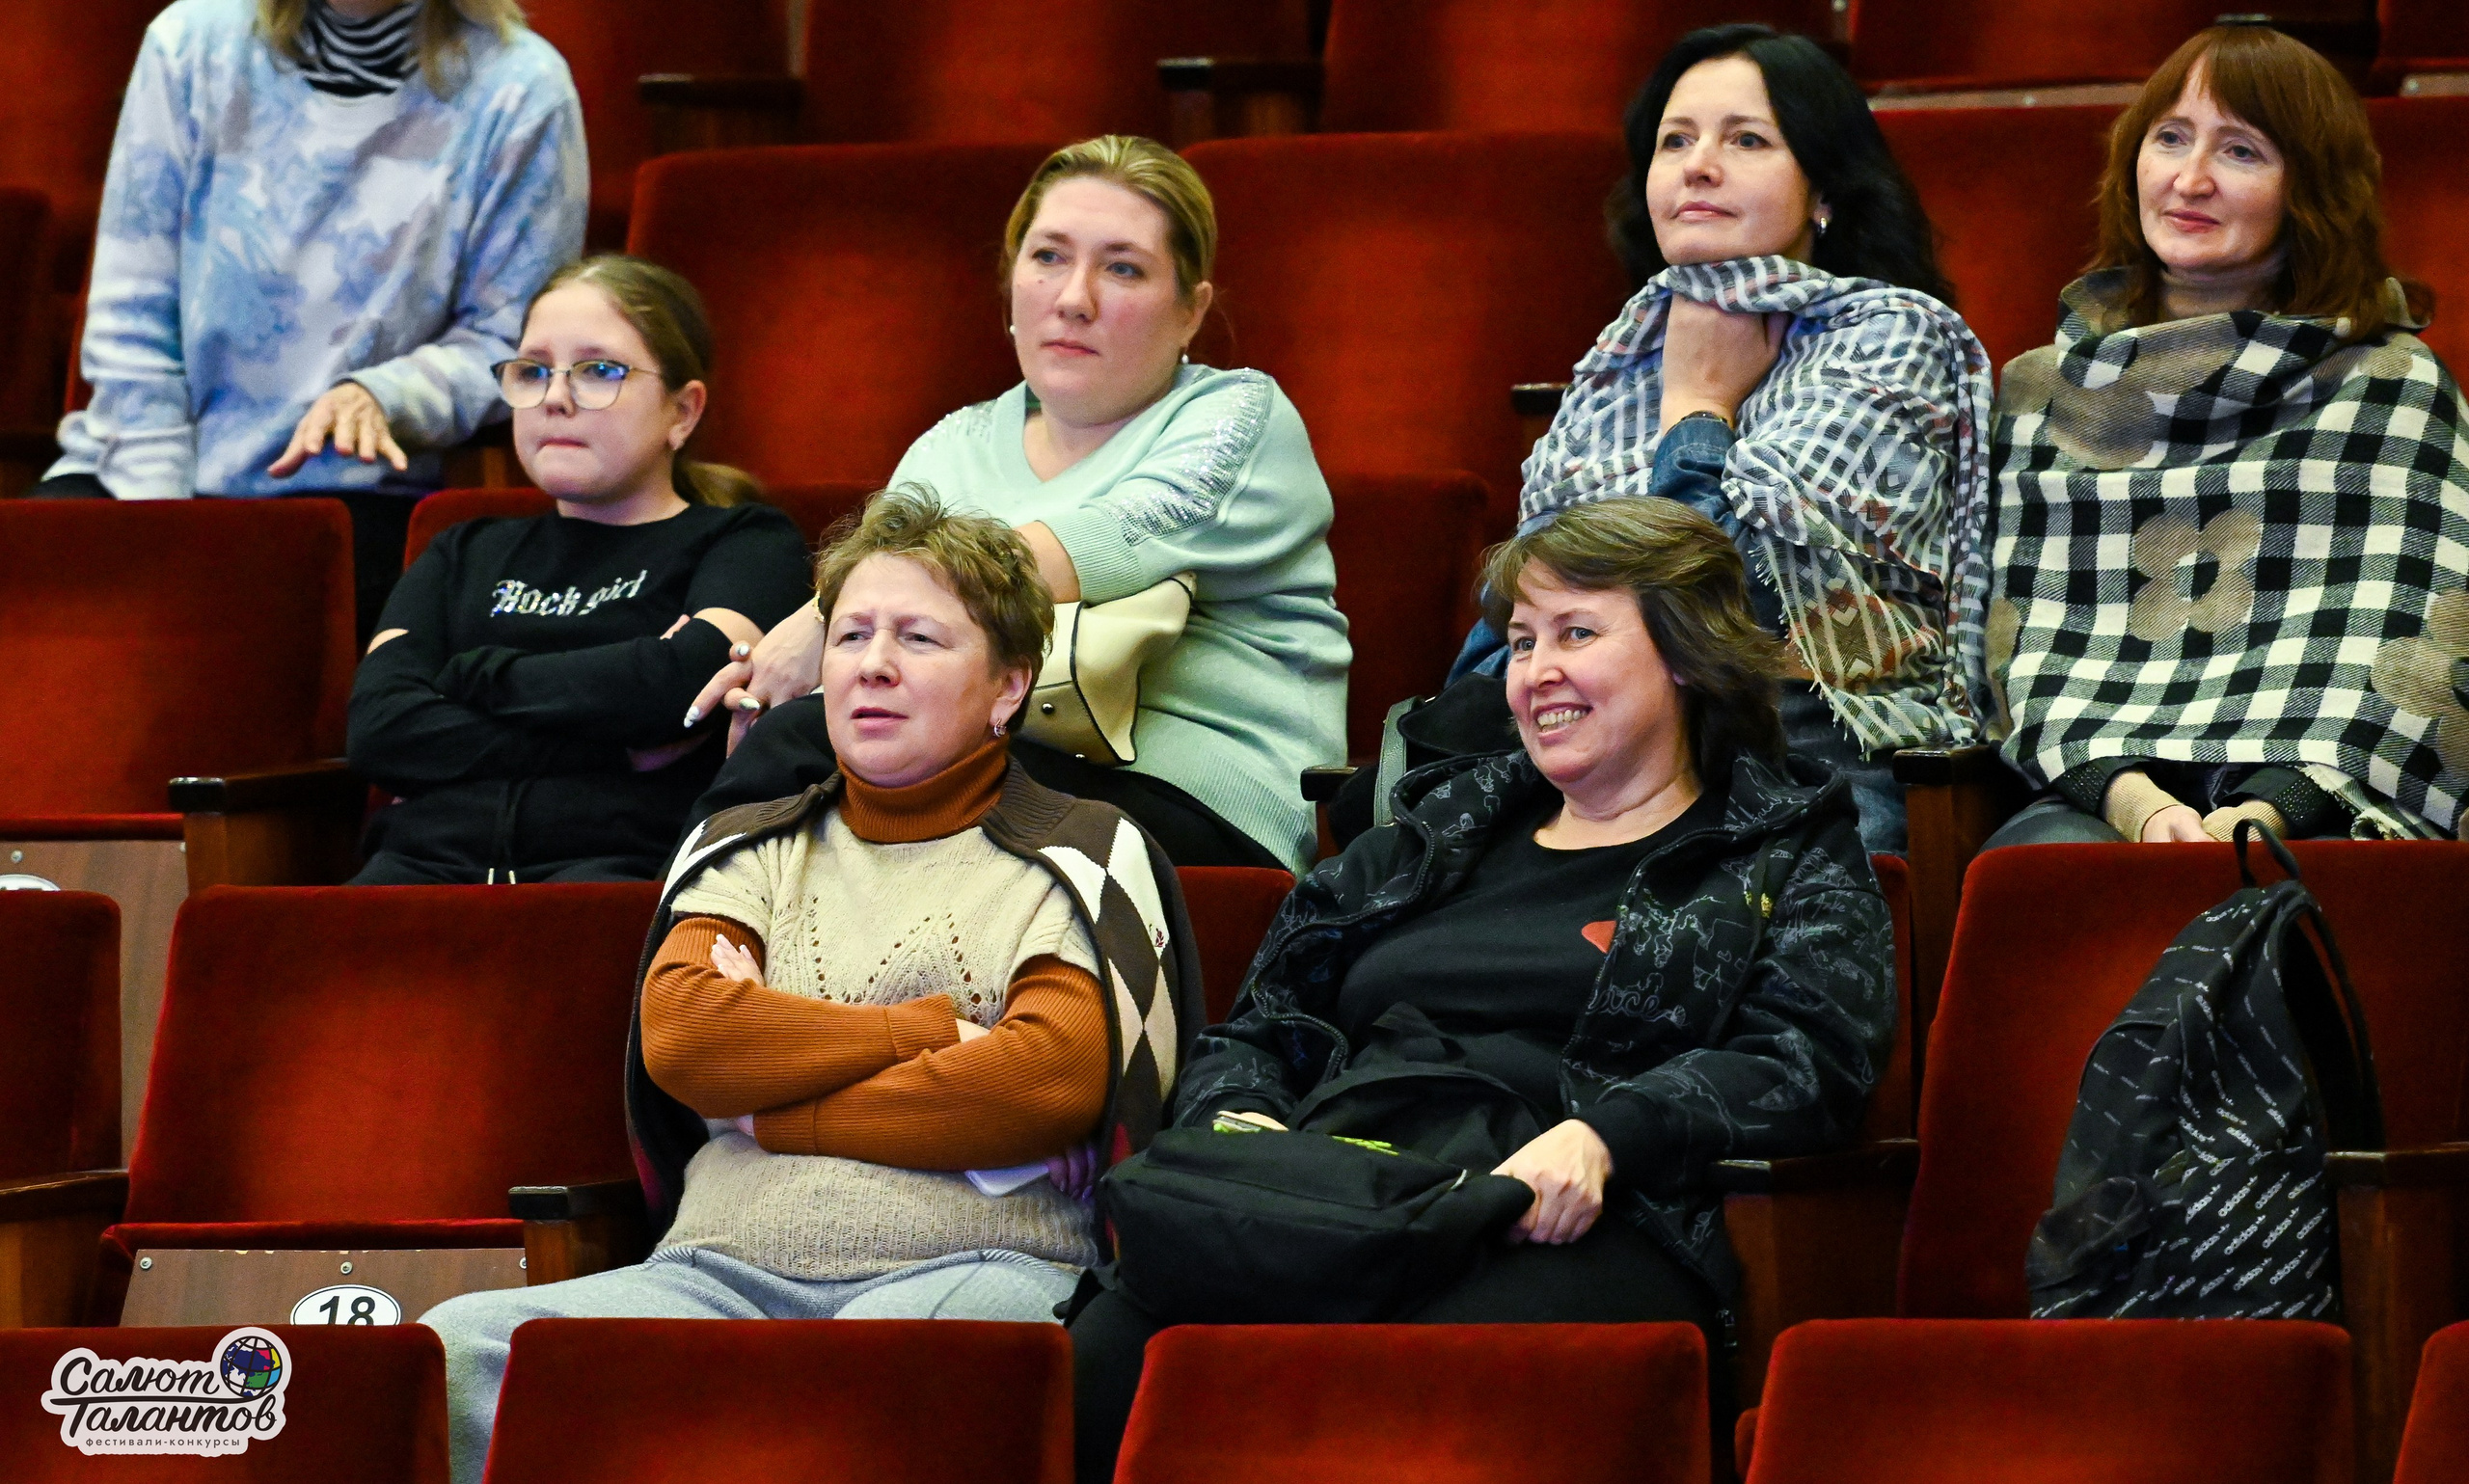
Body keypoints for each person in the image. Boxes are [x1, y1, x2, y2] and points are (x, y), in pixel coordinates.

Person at [1069, 497, 1895, 1482]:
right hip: (1339, 1186)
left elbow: (1809, 1055)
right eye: (1518, 642)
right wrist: (1242, 1116)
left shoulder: (1780, 842)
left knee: (1427, 1382)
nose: (1534, 673)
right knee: (1105, 1355)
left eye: (1575, 634)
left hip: (1561, 1212)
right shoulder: (1432, 830)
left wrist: (1607, 1137)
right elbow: (1264, 1023)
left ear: (1684, 653)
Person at [422, 489, 1203, 1484]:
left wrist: (772, 1111)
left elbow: (1041, 1085)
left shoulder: (1084, 853)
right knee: (459, 1347)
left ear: (1009, 686)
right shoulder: (741, 842)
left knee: (841, 1383)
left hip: (976, 1270)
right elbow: (690, 1043)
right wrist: (932, 1033)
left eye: (919, 637)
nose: (872, 665)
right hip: (712, 1273)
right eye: (851, 635)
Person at [685, 134, 1349, 874]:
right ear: (1010, 285)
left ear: (1191, 311)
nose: (1074, 298)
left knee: (813, 754)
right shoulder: (949, 447)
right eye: (1049, 257)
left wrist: (821, 617)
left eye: (1123, 268)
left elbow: (1101, 540)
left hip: (1190, 808)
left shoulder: (1240, 417)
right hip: (967, 771)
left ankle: (684, 964)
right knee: (787, 755)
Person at [1461, 23, 1992, 856]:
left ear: (1824, 187)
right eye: (1676, 141)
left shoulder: (1897, 342)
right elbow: (1510, 629)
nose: (1698, 164)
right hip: (1587, 772)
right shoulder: (1618, 362)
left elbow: (1724, 606)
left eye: (1746, 139)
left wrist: (1697, 407)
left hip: (1798, 769)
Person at [1978, 23, 2469, 847]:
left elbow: (2416, 655)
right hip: (2099, 788)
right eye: (2170, 138)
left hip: (2328, 788)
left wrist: (2269, 810)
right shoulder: (2044, 392)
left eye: (2241, 151)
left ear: (2309, 190)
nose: (2190, 178)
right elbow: (2017, 657)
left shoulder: (2392, 382)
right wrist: (2138, 804)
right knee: (2046, 879)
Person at [34, 0, 588, 643]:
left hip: (358, 494)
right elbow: (131, 314)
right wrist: (163, 522)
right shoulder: (189, 44)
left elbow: (511, 344)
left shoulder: (524, 88)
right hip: (145, 473)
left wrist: (387, 394)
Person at [345, 256, 811, 884]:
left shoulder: (745, 542)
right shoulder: (460, 550)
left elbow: (680, 692)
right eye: (533, 371)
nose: (555, 398)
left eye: (598, 371)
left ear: (684, 411)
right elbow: (380, 732)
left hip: (615, 880)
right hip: (417, 873)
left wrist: (470, 675)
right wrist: (617, 742)